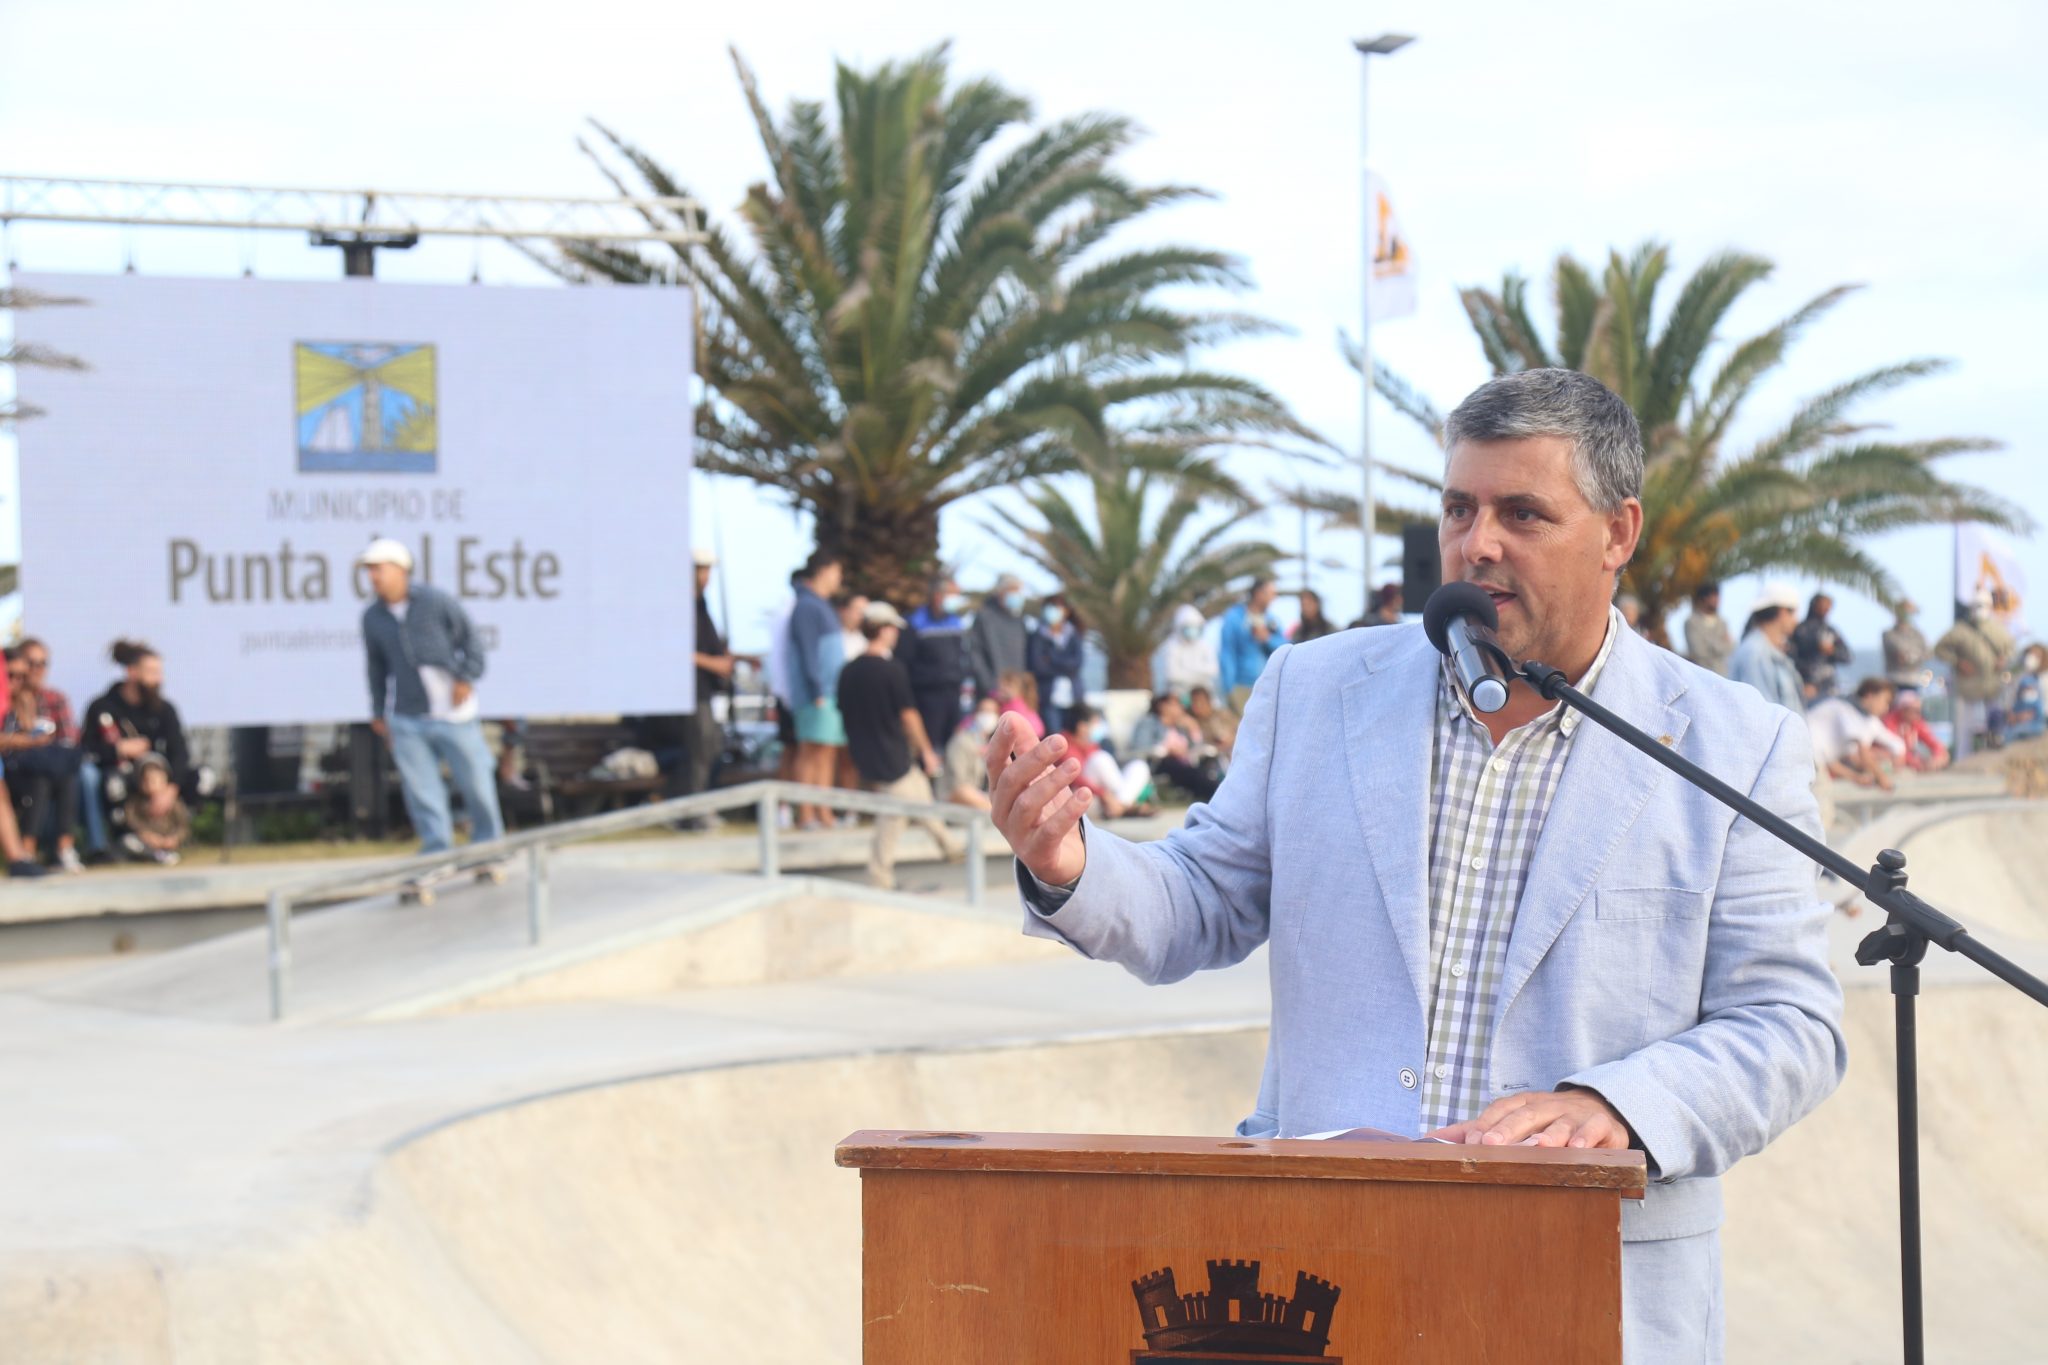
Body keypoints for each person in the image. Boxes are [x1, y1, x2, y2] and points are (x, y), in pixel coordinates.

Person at [986, 368, 1843, 1360]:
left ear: (1618, 532)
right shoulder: (1314, 688)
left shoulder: (1735, 744)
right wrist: (1070, 862)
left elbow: (1787, 1022)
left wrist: (1615, 1105)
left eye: (1522, 513)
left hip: (1588, 1289)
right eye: (1459, 508)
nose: (1478, 543)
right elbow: (1200, 899)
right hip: (1320, 1280)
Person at [358, 539, 506, 860]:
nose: (373, 577)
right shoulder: (373, 617)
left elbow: (471, 640)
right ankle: (437, 855)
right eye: (369, 570)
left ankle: (489, 850)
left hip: (454, 714)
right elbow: (376, 667)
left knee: (476, 784)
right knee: (422, 791)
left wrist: (465, 677)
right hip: (407, 717)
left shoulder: (435, 601)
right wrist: (379, 711)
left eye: (378, 569)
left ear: (400, 569)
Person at [835, 601, 962, 889]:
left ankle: (949, 845)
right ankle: (879, 877)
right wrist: (926, 750)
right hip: (890, 750)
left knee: (918, 789)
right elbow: (909, 715)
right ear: (882, 629)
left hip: (864, 749)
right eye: (893, 628)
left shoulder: (848, 671)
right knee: (895, 813)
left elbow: (844, 709)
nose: (896, 633)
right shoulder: (892, 670)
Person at [83, 640, 201, 847]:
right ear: (132, 672)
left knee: (201, 777)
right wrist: (118, 749)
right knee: (111, 782)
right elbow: (85, 749)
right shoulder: (102, 706)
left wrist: (170, 789)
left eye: (159, 672)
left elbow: (180, 751)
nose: (158, 679)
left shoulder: (164, 709)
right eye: (152, 672)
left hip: (159, 779)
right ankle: (122, 838)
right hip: (123, 778)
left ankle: (177, 831)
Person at [2, 647, 84, 872]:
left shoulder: (27, 700)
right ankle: (24, 853)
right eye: (10, 675)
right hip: (10, 768)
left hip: (27, 768)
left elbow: (65, 737)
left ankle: (62, 849)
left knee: (59, 777)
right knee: (39, 781)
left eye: (21, 676)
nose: (16, 681)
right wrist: (24, 741)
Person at [784, 551, 848, 830]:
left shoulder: (821, 605)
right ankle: (806, 813)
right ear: (823, 571)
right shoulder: (807, 606)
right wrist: (815, 689)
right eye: (836, 571)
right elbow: (808, 651)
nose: (839, 578)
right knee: (811, 750)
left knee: (827, 751)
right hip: (817, 693)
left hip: (831, 692)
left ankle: (824, 811)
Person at [682, 546, 741, 819]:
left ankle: (703, 806)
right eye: (699, 569)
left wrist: (735, 659)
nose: (704, 576)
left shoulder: (701, 604)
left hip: (707, 690)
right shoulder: (680, 605)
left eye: (706, 570)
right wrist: (714, 664)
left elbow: (710, 647)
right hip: (690, 692)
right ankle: (694, 814)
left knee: (713, 748)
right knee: (701, 750)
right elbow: (677, 650)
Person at [899, 574, 972, 764]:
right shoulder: (915, 622)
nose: (957, 599)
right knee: (928, 747)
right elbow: (905, 663)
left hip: (953, 692)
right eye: (953, 594)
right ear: (938, 595)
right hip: (927, 696)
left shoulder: (956, 622)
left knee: (953, 745)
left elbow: (963, 655)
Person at [1935, 594, 2012, 756]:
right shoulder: (1960, 630)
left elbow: (2011, 649)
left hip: (1992, 685)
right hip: (1967, 687)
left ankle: (1992, 756)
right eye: (1977, 605)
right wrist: (1957, 662)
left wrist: (2004, 659)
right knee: (1965, 728)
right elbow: (1939, 649)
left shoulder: (1998, 629)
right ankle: (1963, 759)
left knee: (1995, 725)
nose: (1980, 609)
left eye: (1983, 605)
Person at [1060, 701, 1154, 819]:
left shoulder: (1092, 746)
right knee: (1100, 759)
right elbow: (1076, 779)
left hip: (1109, 799)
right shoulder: (1064, 745)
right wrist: (1103, 794)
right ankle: (1126, 807)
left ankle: (1120, 806)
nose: (1097, 728)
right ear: (1081, 726)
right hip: (1085, 797)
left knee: (1139, 766)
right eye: (1095, 724)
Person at [1808, 678, 1903, 790]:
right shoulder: (1847, 710)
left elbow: (1828, 760)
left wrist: (1855, 777)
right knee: (1822, 795)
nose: (1886, 708)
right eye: (1885, 701)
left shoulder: (1862, 717)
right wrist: (1882, 778)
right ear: (1870, 695)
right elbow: (1863, 754)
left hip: (1813, 761)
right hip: (1808, 760)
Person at [1127, 692, 1221, 802]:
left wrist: (1194, 728)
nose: (1181, 707)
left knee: (1204, 768)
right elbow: (1140, 746)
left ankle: (1217, 794)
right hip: (1160, 762)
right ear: (1162, 706)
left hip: (1186, 763)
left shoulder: (1180, 727)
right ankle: (1216, 794)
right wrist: (1167, 749)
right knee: (1189, 772)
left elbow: (1196, 748)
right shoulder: (1149, 722)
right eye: (1176, 704)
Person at [1728, 584, 1806, 716]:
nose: (1796, 620)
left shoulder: (1768, 651)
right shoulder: (1755, 653)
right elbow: (1761, 715)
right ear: (1781, 612)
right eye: (1792, 613)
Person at [1218, 579, 1281, 710]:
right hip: (1242, 687)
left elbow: (1285, 647)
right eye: (1271, 594)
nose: (1274, 598)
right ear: (1258, 594)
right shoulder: (1234, 618)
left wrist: (1267, 639)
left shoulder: (1272, 620)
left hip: (1268, 687)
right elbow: (1227, 653)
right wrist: (1229, 687)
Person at [967, 576, 1032, 702]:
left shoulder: (1019, 620)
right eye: (1012, 591)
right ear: (1001, 593)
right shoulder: (985, 617)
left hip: (1016, 691)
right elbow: (976, 654)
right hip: (991, 692)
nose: (1017, 596)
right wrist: (990, 686)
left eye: (1018, 592)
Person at [1028, 594, 1085, 736]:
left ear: (1066, 611)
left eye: (1056, 607)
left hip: (1073, 698)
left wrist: (1052, 659)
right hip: (1048, 698)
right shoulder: (1037, 636)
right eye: (1049, 607)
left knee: (1072, 738)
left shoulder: (1073, 635)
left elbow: (1077, 663)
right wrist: (1065, 665)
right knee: (1055, 737)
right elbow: (1038, 667)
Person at [121, 752, 190, 864]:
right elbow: (133, 822)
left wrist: (174, 838)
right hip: (147, 841)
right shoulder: (135, 803)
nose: (151, 785)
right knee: (129, 841)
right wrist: (148, 836)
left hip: (168, 839)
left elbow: (182, 825)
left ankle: (166, 853)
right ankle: (156, 855)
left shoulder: (174, 803)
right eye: (146, 780)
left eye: (155, 780)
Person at [1789, 593, 1852, 702]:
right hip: (1805, 687)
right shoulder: (1799, 630)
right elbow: (1790, 657)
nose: (1826, 609)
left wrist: (1832, 651)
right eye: (1823, 605)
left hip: (1829, 687)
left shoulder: (1831, 631)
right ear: (1814, 605)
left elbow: (1847, 656)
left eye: (1828, 607)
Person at [943, 695, 1001, 811]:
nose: (988, 716)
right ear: (975, 715)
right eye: (984, 711)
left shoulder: (994, 743)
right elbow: (958, 786)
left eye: (992, 712)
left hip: (981, 797)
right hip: (955, 798)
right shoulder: (962, 740)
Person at [1158, 604, 1218, 700]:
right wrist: (1200, 674)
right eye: (1189, 627)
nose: (1192, 631)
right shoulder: (1171, 646)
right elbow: (1172, 674)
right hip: (1180, 694)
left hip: (1202, 693)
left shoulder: (1204, 645)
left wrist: (1187, 670)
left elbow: (1213, 670)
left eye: (1195, 627)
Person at [1883, 689, 1950, 771]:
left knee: (1944, 755)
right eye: (1915, 711)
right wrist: (1915, 762)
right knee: (1892, 756)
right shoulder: (1890, 721)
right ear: (1903, 710)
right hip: (1894, 758)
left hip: (1910, 758)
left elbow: (1935, 743)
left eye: (1920, 710)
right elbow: (1895, 749)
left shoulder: (1917, 722)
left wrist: (1936, 758)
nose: (1919, 714)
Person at [1682, 582, 1733, 677]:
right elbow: (1698, 652)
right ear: (1704, 598)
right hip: (1701, 676)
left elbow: (1729, 648)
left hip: (1723, 676)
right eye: (1713, 596)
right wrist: (1720, 644)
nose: (1717, 600)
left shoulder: (1722, 623)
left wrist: (1708, 643)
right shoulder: (1691, 623)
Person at [1882, 598, 1930, 689]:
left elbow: (1926, 654)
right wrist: (1914, 655)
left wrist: (1912, 656)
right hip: (1894, 680)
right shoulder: (1888, 634)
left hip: (1914, 680)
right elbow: (1900, 652)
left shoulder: (1918, 635)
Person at [1185, 684, 1237, 760]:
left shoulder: (1223, 715)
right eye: (1194, 702)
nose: (1197, 706)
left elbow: (1239, 731)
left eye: (1200, 702)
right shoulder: (1193, 720)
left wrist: (1229, 739)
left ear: (1208, 701)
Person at [996, 670, 1045, 742]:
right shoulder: (1021, 701)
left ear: (1019, 689)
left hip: (1028, 736)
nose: (1002, 689)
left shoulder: (1015, 705)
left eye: (1007, 686)